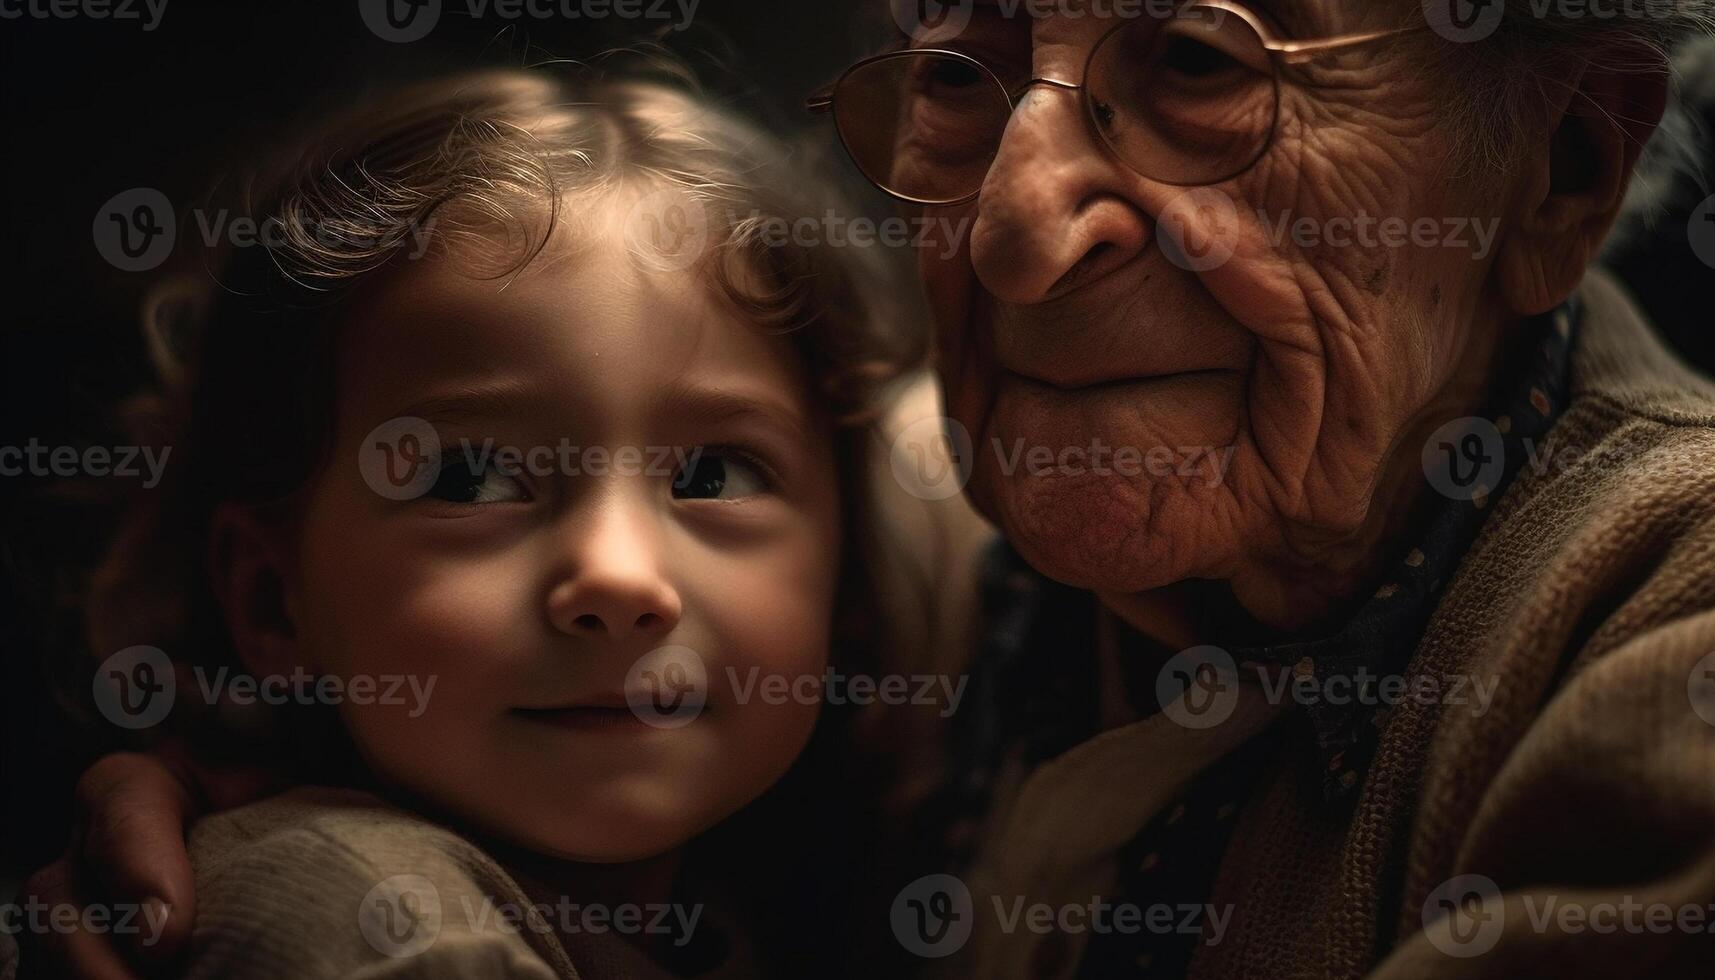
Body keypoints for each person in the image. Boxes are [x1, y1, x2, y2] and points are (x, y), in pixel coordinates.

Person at [28, 0, 1715, 976]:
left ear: (1559, 166)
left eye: (1202, 64)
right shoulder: (943, 502)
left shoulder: (1667, 641)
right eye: (966, 74)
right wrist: (271, 801)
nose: (1009, 230)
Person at [14, 66, 934, 979]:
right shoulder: (384, 932)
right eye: (471, 477)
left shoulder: (746, 915)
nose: (615, 577)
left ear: (845, 567)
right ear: (269, 601)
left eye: (711, 472)